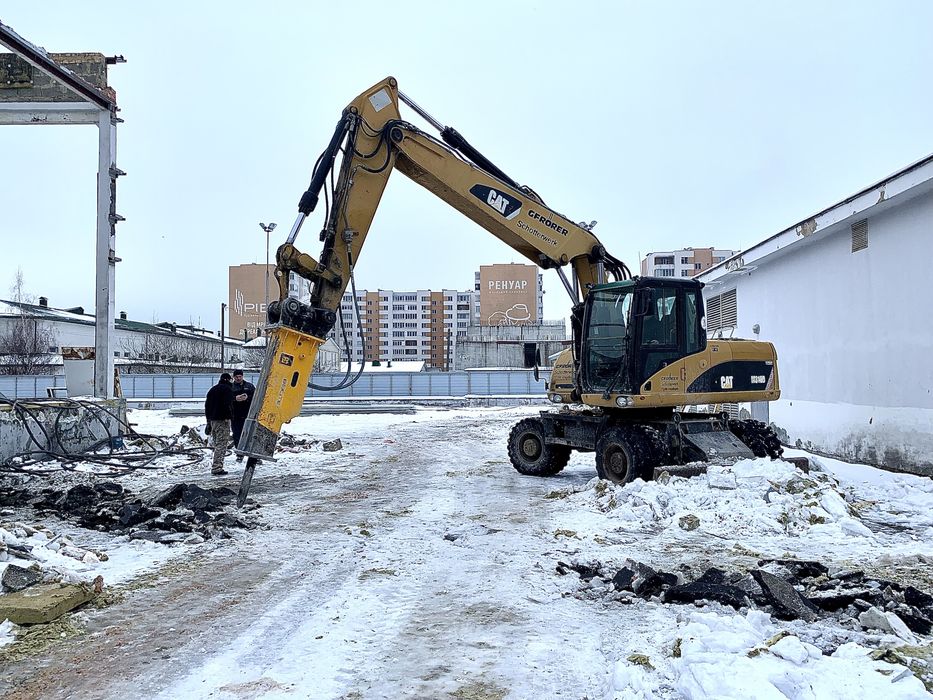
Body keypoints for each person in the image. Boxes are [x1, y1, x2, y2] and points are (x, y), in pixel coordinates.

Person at [204, 372, 234, 476]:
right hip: (222, 420)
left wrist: (208, 421)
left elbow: (207, 407)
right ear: (229, 380)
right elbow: (227, 404)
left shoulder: (212, 390)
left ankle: (216, 465)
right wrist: (229, 416)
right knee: (222, 444)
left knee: (217, 444)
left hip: (213, 421)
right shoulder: (227, 390)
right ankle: (217, 467)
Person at [230, 369, 255, 462]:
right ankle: (239, 453)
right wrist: (235, 399)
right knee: (237, 434)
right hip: (235, 415)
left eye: (240, 376)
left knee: (250, 434)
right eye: (236, 377)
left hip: (248, 415)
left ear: (242, 376)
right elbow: (225, 399)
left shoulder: (249, 386)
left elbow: (256, 397)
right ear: (233, 377)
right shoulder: (230, 387)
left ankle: (252, 455)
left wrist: (247, 398)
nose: (238, 378)